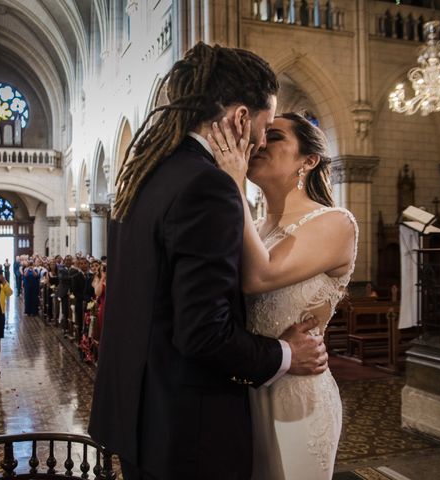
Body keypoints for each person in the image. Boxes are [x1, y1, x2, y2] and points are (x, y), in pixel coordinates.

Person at [88, 43, 327, 480]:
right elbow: (203, 334)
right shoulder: (208, 187)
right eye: (265, 125)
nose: (259, 141)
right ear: (240, 117)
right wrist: (287, 353)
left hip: (139, 418)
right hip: (188, 433)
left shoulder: (144, 174)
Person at [209, 111, 357, 479]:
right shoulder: (254, 227)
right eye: (263, 136)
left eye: (274, 137)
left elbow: (259, 276)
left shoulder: (336, 222)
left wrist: (233, 182)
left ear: (308, 160)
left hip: (298, 396)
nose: (260, 144)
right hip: (250, 387)